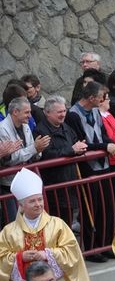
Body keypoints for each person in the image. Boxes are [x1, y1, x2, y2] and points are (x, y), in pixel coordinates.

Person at [0, 168, 96, 281]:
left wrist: (47, 255)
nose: (38, 205)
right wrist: (20, 258)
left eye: (40, 200)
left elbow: (72, 253)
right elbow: (2, 258)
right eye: (32, 201)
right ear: (21, 205)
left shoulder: (57, 225)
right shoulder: (9, 232)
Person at [65, 82, 115, 257]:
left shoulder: (96, 111)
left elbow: (102, 133)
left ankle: (106, 243)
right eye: (101, 97)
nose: (104, 100)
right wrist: (106, 145)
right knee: (91, 207)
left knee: (107, 206)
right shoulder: (73, 115)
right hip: (87, 167)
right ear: (91, 98)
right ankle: (91, 248)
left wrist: (107, 142)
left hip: (103, 164)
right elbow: (82, 142)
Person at [34, 95, 87, 225]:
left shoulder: (65, 127)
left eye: (64, 111)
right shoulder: (41, 131)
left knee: (68, 220)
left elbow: (75, 142)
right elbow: (47, 155)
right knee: (57, 223)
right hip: (55, 185)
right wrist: (72, 150)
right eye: (59, 112)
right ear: (47, 113)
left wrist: (80, 147)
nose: (63, 114)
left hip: (70, 181)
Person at [0, 97, 50, 222]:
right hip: (9, 183)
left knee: (32, 220)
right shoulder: (2, 129)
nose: (30, 116)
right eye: (27, 112)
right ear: (15, 112)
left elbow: (31, 152)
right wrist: (34, 148)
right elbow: (10, 159)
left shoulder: (26, 126)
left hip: (26, 180)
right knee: (14, 221)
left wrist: (38, 150)